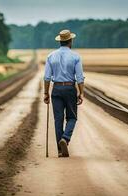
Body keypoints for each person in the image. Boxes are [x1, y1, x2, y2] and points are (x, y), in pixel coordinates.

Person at [43, 29, 85, 157]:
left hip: (56, 89)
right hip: (70, 88)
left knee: (58, 120)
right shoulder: (76, 56)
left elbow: (46, 77)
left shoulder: (51, 56)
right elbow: (80, 77)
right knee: (72, 117)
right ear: (70, 41)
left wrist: (46, 93)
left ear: (60, 41)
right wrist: (81, 93)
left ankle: (60, 151)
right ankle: (65, 139)